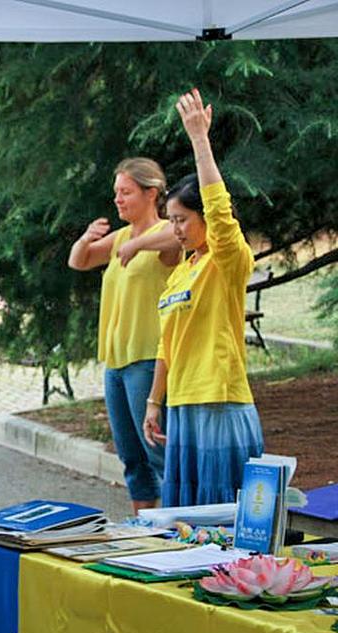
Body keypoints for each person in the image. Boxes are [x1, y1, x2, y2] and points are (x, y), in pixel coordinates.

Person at [143, 89, 264, 507]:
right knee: (188, 516)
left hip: (220, 400)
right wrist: (154, 402)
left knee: (224, 514)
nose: (175, 228)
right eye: (171, 220)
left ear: (202, 218)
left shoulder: (227, 261)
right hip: (185, 403)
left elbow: (220, 209)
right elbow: (166, 343)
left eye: (182, 219)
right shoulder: (182, 271)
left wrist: (199, 140)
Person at [68, 158, 181, 513]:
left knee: (157, 450)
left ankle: (180, 528)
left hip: (148, 358)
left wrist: (138, 246)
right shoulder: (120, 236)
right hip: (116, 361)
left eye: (126, 192)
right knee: (131, 455)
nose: (118, 199)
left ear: (151, 194)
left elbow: (176, 238)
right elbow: (79, 261)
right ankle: (144, 526)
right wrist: (86, 238)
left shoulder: (167, 231)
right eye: (116, 192)